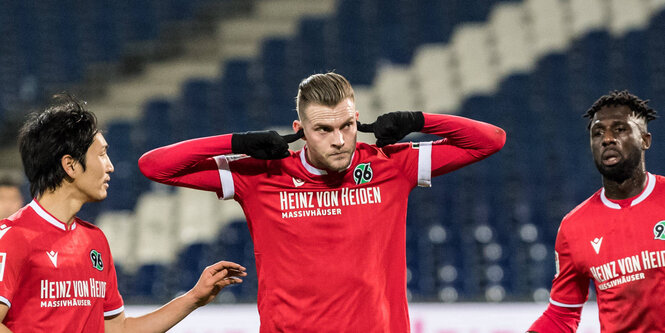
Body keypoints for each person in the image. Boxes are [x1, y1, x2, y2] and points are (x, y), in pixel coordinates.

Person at [139, 72, 506, 332]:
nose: (339, 140)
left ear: (357, 119)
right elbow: (155, 166)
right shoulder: (262, 174)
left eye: (346, 125)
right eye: (324, 129)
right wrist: (237, 143)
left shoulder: (389, 164)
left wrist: (418, 119)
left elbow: (491, 140)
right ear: (300, 131)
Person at [0, 94, 247, 333]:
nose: (110, 166)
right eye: (101, 154)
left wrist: (193, 298)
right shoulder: (12, 237)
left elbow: (119, 330)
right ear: (71, 165)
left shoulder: (94, 240)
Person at [528, 90, 665, 332]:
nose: (607, 139)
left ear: (645, 140)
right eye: (598, 133)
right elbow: (562, 315)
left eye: (620, 129)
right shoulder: (574, 227)